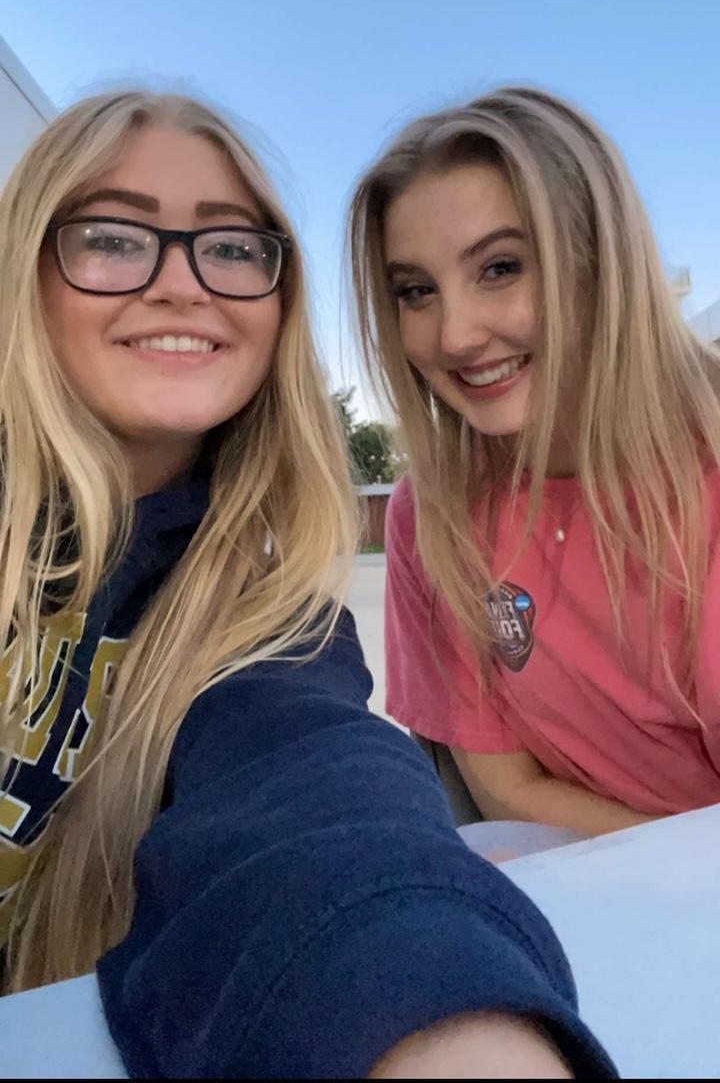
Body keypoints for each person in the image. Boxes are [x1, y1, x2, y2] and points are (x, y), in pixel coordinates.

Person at [0, 90, 615, 1078]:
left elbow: (319, 802)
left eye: (231, 247)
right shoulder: (432, 519)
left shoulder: (266, 620)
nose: (181, 284)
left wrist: (439, 1018)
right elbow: (500, 782)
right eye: (112, 236)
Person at [350, 85, 720, 839]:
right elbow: (505, 785)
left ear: (599, 260)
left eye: (500, 268)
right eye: (416, 291)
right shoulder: (432, 514)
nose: (454, 336)